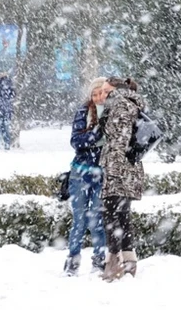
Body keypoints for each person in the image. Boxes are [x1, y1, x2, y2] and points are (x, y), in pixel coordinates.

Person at [98, 76, 145, 282]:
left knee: (111, 216)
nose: (102, 95)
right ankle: (127, 261)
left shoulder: (120, 105)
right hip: (126, 168)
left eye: (106, 91)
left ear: (116, 90)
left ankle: (114, 262)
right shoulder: (126, 104)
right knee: (121, 215)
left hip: (120, 170)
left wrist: (113, 170)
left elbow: (120, 139)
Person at [63, 76, 107, 276]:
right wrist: (95, 134)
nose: (98, 98)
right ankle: (72, 262)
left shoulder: (112, 114)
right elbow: (76, 141)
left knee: (97, 220)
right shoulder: (83, 111)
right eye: (95, 94)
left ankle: (99, 261)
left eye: (101, 94)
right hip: (80, 173)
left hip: (102, 174)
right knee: (79, 219)